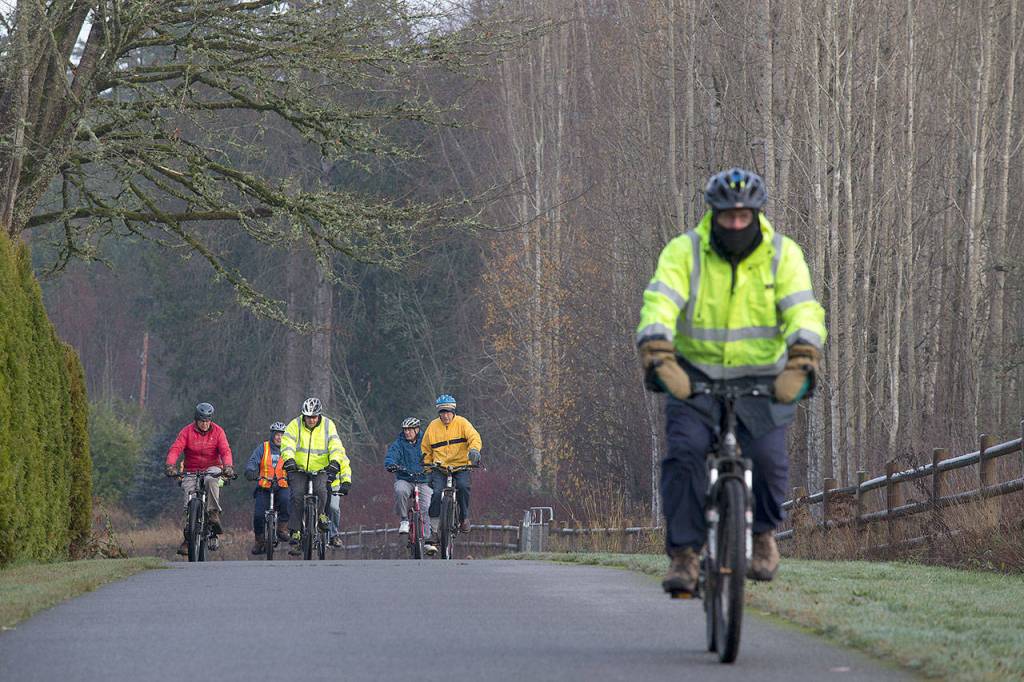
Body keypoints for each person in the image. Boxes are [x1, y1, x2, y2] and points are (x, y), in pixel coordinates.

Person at [636, 168, 826, 594]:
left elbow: (804, 311)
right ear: (713, 214)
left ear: (757, 214)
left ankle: (762, 537)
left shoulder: (783, 255)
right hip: (693, 377)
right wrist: (657, 352)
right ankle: (685, 556)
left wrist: (803, 358)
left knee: (769, 457)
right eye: (727, 217)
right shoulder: (685, 252)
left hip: (763, 378)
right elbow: (659, 303)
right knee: (685, 454)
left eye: (744, 216)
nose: (736, 224)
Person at [280, 397, 351, 555]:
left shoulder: (328, 425)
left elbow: (336, 445)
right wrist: (289, 460)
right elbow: (287, 444)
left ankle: (322, 516)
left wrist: (334, 462)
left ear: (319, 415)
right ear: (303, 415)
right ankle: (296, 532)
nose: (311, 420)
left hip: (321, 468)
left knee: (322, 490)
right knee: (297, 496)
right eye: (308, 417)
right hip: (298, 468)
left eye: (314, 417)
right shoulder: (294, 425)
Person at [164, 402, 235, 556]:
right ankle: (189, 537)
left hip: (213, 467)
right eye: (202, 421)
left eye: (207, 421)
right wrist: (170, 465)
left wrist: (228, 466)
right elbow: (176, 449)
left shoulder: (218, 432)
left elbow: (225, 450)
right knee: (188, 499)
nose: (205, 424)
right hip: (191, 470)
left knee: (210, 480)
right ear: (196, 420)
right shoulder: (187, 432)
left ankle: (213, 513)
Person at [422, 395, 481, 545]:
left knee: (463, 486)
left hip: (461, 465)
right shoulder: (432, 427)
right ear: (439, 413)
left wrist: (474, 451)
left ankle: (464, 518)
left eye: (448, 412)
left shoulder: (462, 423)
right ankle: (434, 531)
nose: (445, 415)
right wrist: (427, 465)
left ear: (453, 412)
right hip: (439, 467)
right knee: (436, 494)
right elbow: (425, 449)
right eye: (442, 412)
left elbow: (474, 437)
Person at [244, 421, 291, 555]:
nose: (279, 438)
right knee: (258, 515)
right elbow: (253, 462)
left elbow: (296, 464)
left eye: (282, 435)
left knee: (286, 501)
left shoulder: (289, 449)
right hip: (265, 486)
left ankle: (282, 528)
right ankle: (259, 540)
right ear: (272, 435)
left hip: (282, 485)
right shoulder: (263, 448)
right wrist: (251, 471)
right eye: (277, 434)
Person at [385, 417, 432, 545]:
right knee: (400, 490)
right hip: (405, 478)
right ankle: (404, 520)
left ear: (417, 430)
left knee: (427, 506)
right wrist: (391, 464)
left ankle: (428, 539)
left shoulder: (426, 442)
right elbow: (391, 456)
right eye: (405, 430)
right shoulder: (398, 444)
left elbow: (434, 454)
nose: (407, 432)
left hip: (423, 479)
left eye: (410, 429)